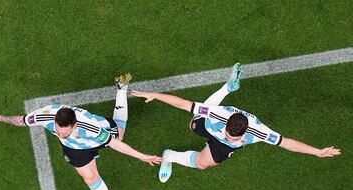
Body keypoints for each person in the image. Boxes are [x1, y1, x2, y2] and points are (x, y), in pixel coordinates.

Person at [0, 74, 162, 190]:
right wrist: (0, 118)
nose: (60, 135)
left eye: (64, 133)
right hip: (75, 148)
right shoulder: (46, 115)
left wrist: (142, 156)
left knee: (119, 134)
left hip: (96, 136)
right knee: (90, 178)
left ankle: (122, 88)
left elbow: (116, 145)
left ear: (74, 125)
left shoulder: (91, 128)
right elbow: (21, 121)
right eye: (58, 131)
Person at [132, 64, 341, 183]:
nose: (230, 135)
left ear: (244, 133)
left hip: (224, 147)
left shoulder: (259, 132)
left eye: (235, 137)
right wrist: (156, 95)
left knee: (202, 164)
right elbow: (184, 104)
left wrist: (317, 152)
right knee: (194, 124)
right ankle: (228, 88)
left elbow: (286, 142)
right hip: (210, 126)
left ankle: (170, 156)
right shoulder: (220, 114)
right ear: (227, 122)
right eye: (229, 133)